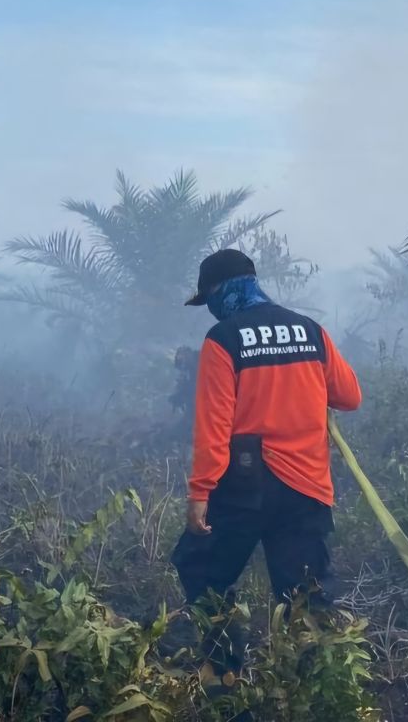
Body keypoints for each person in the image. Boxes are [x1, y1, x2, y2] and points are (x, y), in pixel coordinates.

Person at [171, 248, 362, 685]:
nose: (211, 311)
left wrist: (200, 493)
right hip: (307, 489)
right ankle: (311, 692)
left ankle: (224, 676)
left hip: (244, 485)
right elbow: (350, 397)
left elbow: (214, 425)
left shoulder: (224, 339)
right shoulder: (310, 330)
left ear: (220, 291)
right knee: (304, 597)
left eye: (209, 300)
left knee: (200, 567)